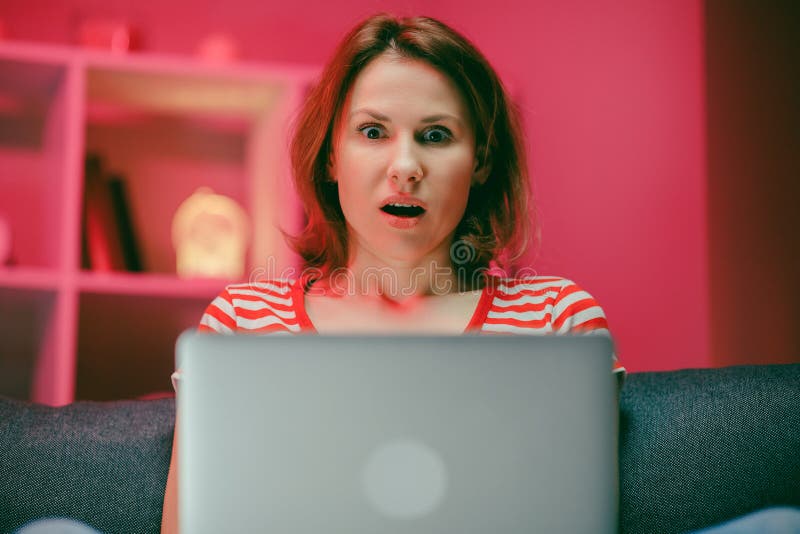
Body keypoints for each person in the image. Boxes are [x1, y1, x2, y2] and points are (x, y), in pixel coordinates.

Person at [161, 13, 799, 534]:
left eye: (436, 136)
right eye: (373, 132)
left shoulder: (558, 316)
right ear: (331, 154)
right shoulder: (241, 322)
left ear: (482, 159)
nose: (405, 165)